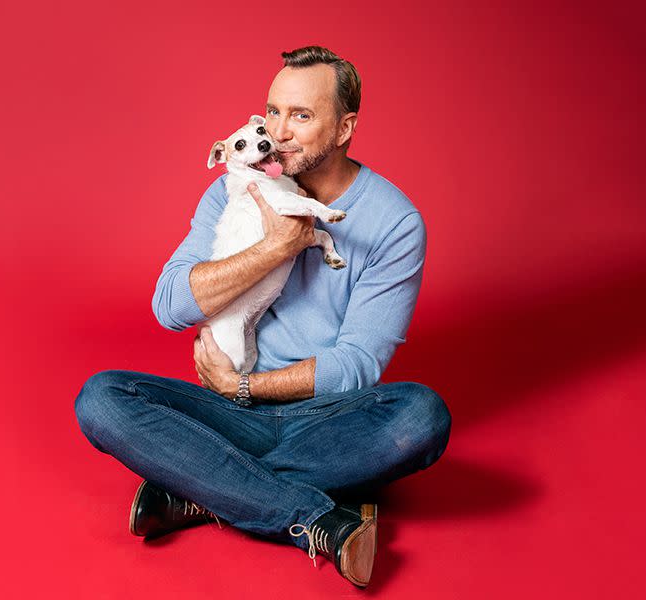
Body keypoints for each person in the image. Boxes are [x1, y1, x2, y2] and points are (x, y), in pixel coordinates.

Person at [74, 45, 451, 589]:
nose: (279, 131)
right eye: (273, 112)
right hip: (228, 413)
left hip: (323, 420)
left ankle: (205, 489)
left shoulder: (395, 223)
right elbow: (171, 305)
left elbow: (358, 365)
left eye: (301, 115)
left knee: (422, 417)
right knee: (101, 398)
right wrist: (275, 247)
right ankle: (321, 518)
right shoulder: (233, 188)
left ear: (344, 127)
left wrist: (245, 385)